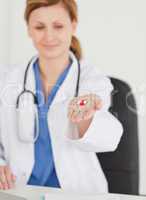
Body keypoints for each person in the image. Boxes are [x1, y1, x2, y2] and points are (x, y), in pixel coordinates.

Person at [0, 0, 123, 194]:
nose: (49, 36)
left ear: (73, 26)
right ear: (29, 30)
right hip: (19, 189)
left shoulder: (92, 80)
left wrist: (85, 118)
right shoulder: (7, 79)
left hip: (77, 192)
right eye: (39, 27)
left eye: (58, 26)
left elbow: (108, 137)